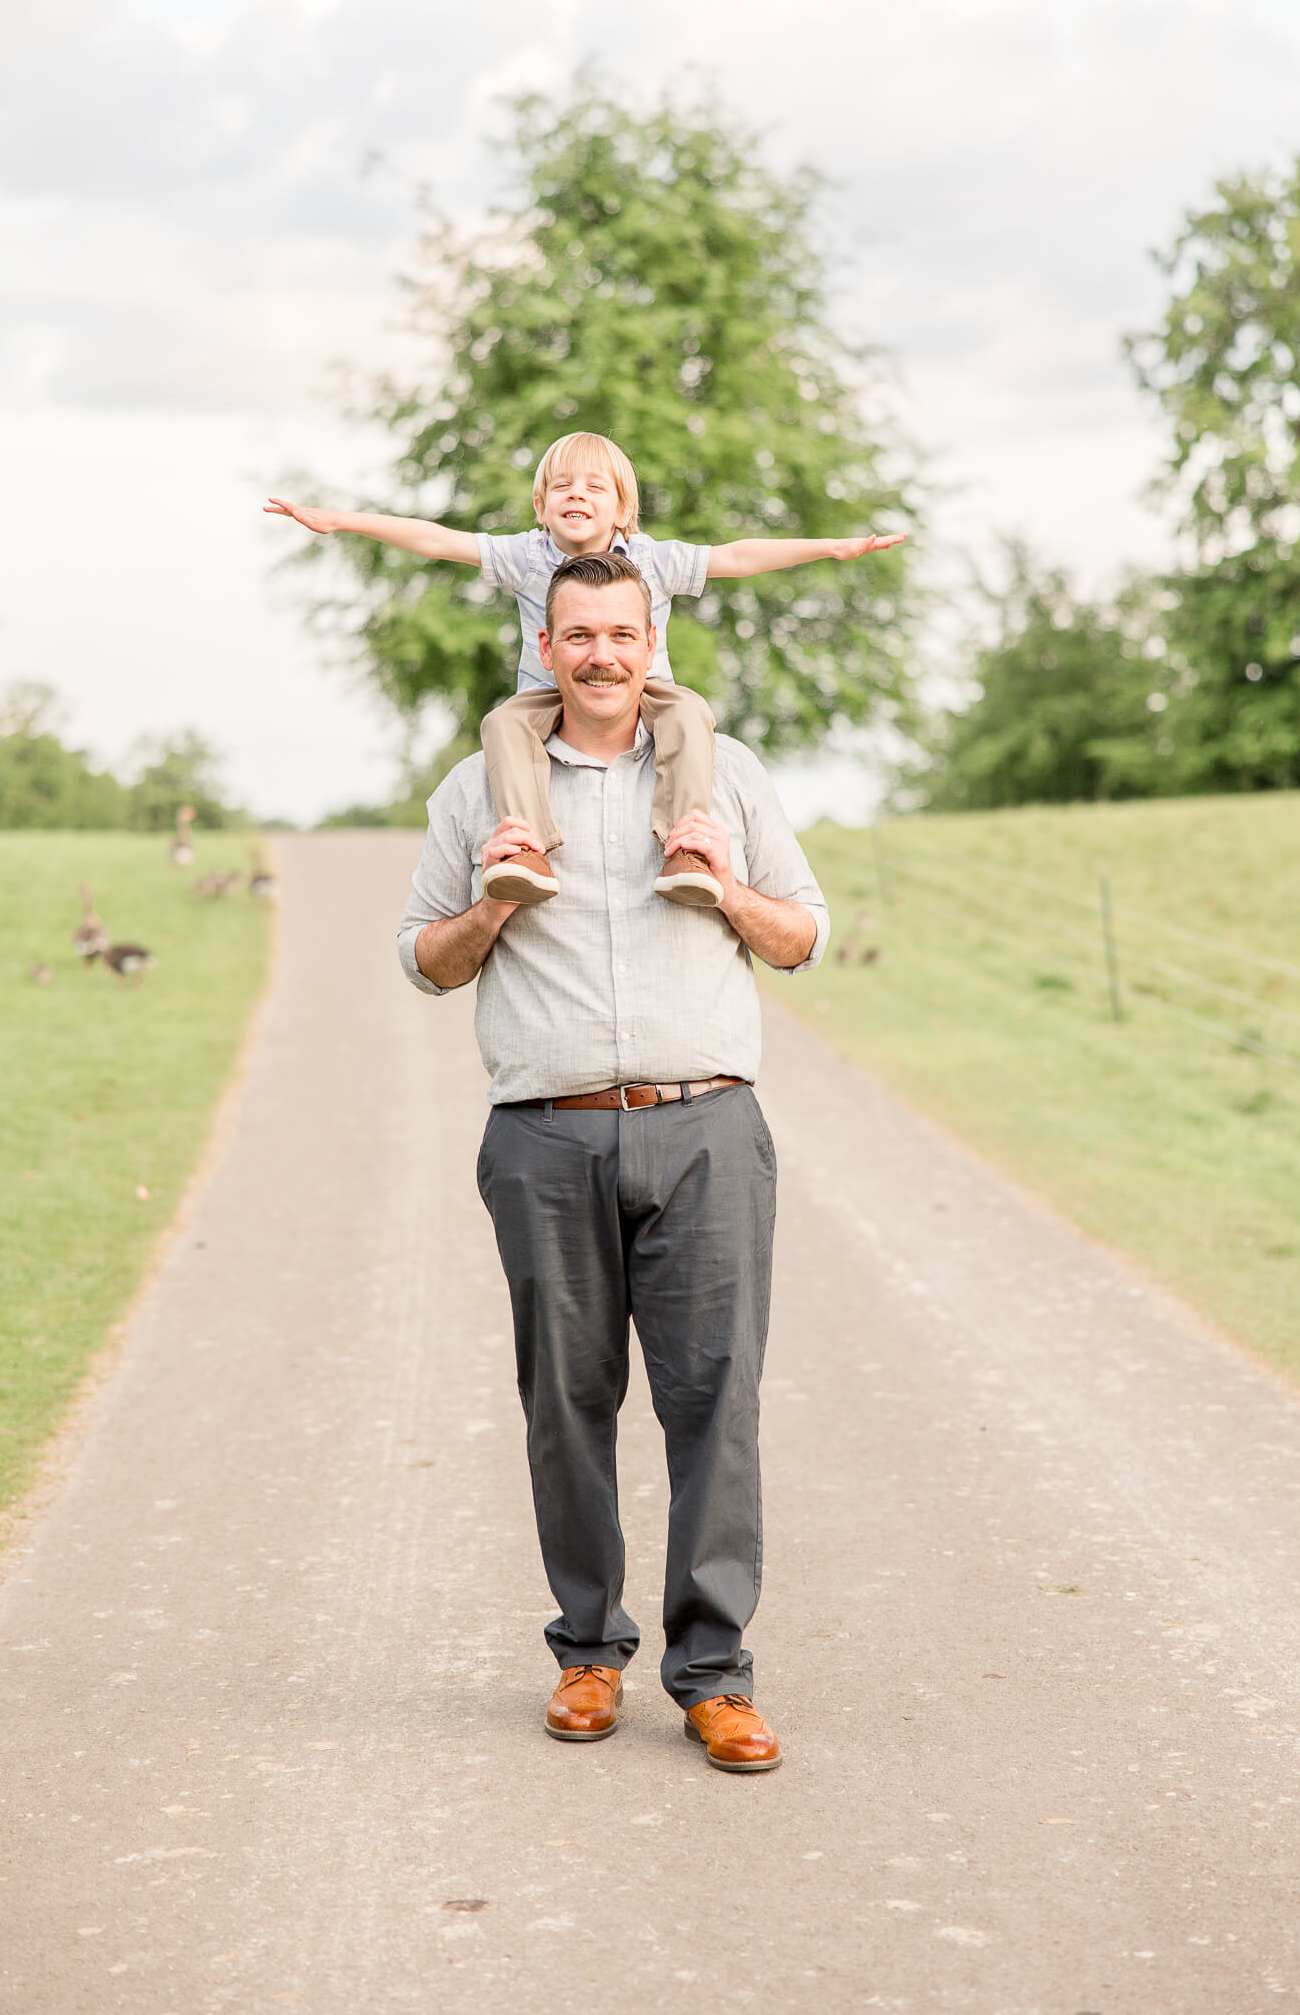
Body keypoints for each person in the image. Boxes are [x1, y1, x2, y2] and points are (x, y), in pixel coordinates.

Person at [397, 550, 829, 1774]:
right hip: (545, 1136)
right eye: (576, 635)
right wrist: (492, 908)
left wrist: (727, 891)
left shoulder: (724, 775)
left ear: (652, 644)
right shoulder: (481, 792)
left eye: (620, 635)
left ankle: (714, 1676)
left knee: (715, 1404)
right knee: (566, 1405)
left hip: (707, 1131)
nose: (599, 656)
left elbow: (803, 935)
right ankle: (587, 1653)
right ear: (548, 647)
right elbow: (420, 959)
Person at [268, 429, 902, 907]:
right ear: (541, 507)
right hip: (551, 695)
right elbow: (434, 537)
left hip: (642, 690)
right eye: (562, 487)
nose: (578, 495)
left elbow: (738, 556)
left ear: (621, 511)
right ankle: (527, 846)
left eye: (595, 486)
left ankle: (685, 846)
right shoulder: (522, 556)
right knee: (503, 725)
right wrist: (339, 521)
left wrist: (830, 547)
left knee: (689, 711)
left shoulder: (655, 560)